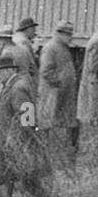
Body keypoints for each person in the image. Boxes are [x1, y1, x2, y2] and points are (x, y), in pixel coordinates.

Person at [0, 53, 45, 197]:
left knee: (24, 172)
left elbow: (28, 116)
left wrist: (26, 138)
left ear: (8, 70)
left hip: (15, 138)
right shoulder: (7, 85)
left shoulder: (18, 87)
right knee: (4, 172)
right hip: (4, 136)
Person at [37, 20, 78, 168]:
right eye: (67, 34)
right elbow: (46, 72)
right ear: (59, 34)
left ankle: (59, 159)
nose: (70, 37)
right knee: (50, 125)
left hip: (62, 94)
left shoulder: (62, 47)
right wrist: (60, 83)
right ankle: (49, 159)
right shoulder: (51, 48)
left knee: (61, 125)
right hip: (54, 94)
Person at [13, 18, 40, 87]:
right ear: (28, 29)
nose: (34, 31)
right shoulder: (24, 42)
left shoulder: (16, 38)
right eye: (33, 29)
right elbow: (29, 61)